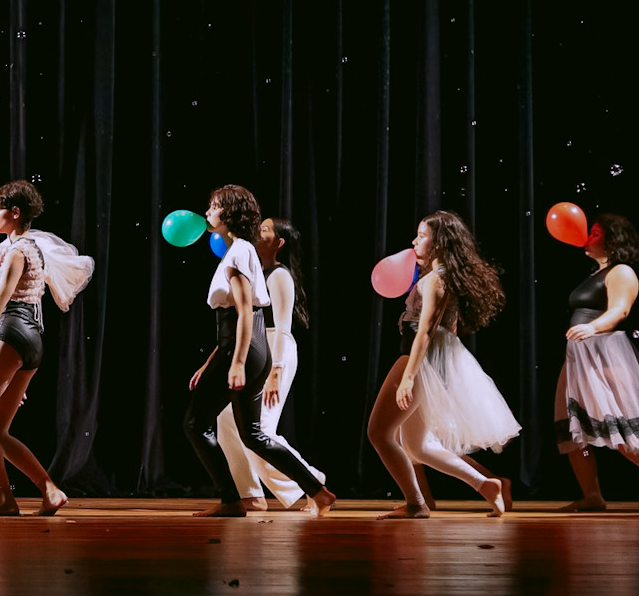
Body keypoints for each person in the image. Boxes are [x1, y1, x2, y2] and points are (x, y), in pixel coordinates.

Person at [182, 187, 335, 518]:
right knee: (252, 434)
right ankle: (318, 491)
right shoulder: (243, 251)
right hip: (255, 347)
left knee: (195, 423)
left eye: (214, 207)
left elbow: (244, 312)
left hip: (243, 346)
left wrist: (236, 362)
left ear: (230, 215)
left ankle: (230, 500)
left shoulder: (238, 253)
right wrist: (213, 362)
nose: (207, 213)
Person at [0, 180, 91, 517]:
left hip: (10, 330)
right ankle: (50, 490)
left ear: (14, 212)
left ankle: (4, 499)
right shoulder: (31, 248)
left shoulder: (16, 252)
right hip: (32, 339)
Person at [365, 211, 516, 519]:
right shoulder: (438, 276)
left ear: (440, 243)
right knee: (417, 447)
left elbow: (426, 330)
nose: (414, 241)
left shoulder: (437, 279)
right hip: (429, 362)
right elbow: (449, 329)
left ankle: (416, 503)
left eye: (422, 236)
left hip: (419, 361)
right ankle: (486, 485)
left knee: (379, 433)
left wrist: (409, 376)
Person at [553, 213, 639, 512]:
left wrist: (592, 327)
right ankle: (592, 495)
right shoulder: (595, 273)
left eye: (595, 233)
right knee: (570, 427)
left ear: (613, 239)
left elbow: (620, 310)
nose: (587, 237)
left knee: (617, 425)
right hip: (579, 353)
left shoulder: (621, 271)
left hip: (604, 351)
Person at [212, 216, 324, 510]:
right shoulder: (254, 271)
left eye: (264, 230)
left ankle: (312, 482)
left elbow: (283, 328)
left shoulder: (279, 275)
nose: (257, 232)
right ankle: (250, 493)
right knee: (226, 420)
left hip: (276, 350)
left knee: (259, 429)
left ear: (278, 243)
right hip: (257, 345)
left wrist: (276, 371)